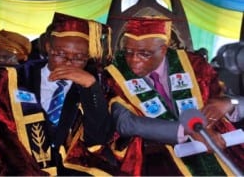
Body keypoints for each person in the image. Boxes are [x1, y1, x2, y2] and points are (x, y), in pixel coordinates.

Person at [0, 12, 113, 176]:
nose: (69, 62)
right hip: (13, 162)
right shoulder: (12, 77)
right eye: (61, 54)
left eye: (79, 58)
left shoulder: (93, 85)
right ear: (48, 47)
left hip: (66, 168)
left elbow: (98, 138)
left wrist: (90, 87)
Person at [104, 16, 244, 176]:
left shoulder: (195, 65)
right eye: (129, 51)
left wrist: (229, 102)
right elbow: (125, 123)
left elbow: (236, 102)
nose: (134, 59)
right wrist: (184, 130)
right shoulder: (115, 74)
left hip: (219, 151)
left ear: (163, 50)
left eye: (144, 53)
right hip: (160, 159)